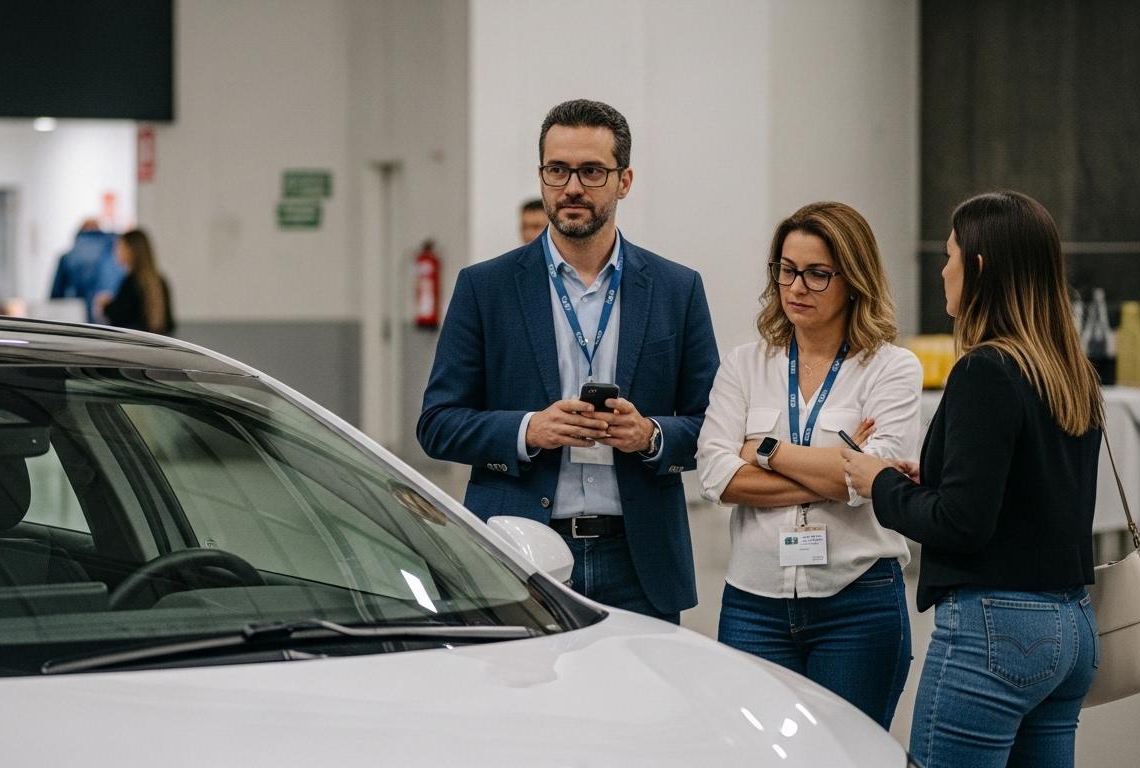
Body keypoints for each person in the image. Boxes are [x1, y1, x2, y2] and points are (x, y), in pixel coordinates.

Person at [417, 99, 719, 622]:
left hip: (638, 558)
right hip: (517, 551)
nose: (572, 187)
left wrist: (649, 435)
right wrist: (529, 430)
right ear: (542, 176)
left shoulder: (676, 289)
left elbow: (712, 425)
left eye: (591, 171)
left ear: (624, 181)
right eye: (557, 170)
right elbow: (438, 424)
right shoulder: (485, 288)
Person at [843, 191, 1101, 767]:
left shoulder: (985, 369)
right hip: (1072, 627)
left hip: (1000, 632)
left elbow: (961, 524)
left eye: (949, 255)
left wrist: (879, 480)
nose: (943, 270)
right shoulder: (1068, 371)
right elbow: (1031, 490)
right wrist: (931, 477)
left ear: (978, 267)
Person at [695, 202, 920, 728]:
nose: (797, 287)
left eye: (817, 274)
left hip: (858, 602)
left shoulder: (891, 368)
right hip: (754, 605)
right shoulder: (744, 364)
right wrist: (835, 473)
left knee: (847, 755)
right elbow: (715, 475)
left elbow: (873, 479)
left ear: (854, 280)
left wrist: (766, 451)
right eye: (787, 270)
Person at [100, 228, 175, 335]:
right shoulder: (160, 281)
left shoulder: (130, 283)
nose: (116, 252)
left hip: (133, 343)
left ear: (130, 250)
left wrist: (105, 307)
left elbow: (119, 320)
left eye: (119, 247)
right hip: (156, 342)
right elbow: (169, 324)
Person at [49, 219, 125, 323]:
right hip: (110, 317)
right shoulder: (114, 253)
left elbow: (56, 295)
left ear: (80, 231)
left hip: (80, 319)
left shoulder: (68, 257)